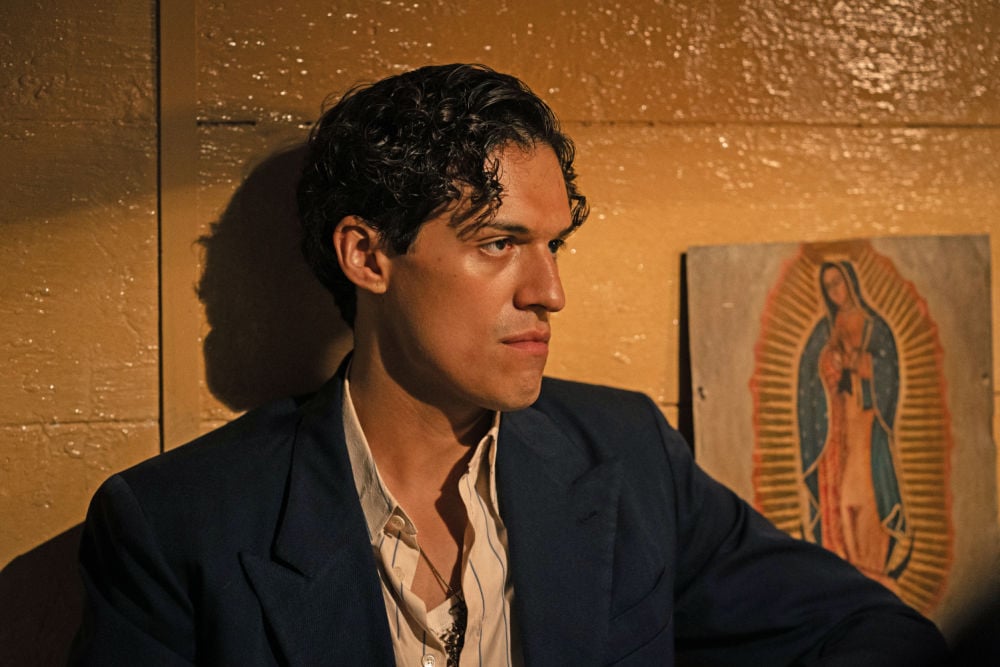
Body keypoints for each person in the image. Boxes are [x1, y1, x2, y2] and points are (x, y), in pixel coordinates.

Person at [71, 64, 947, 666]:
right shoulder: (177, 526)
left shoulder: (625, 452)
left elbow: (867, 629)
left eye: (554, 244)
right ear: (368, 257)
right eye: (500, 243)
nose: (550, 291)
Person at [797, 261, 913, 593]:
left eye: (839, 283)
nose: (835, 292)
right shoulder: (823, 333)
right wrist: (830, 369)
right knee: (842, 503)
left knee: (868, 502)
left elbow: (889, 372)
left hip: (866, 427)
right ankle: (850, 575)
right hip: (837, 431)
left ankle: (873, 571)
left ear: (851, 282)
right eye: (828, 286)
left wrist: (862, 366)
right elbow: (809, 386)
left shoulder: (876, 328)